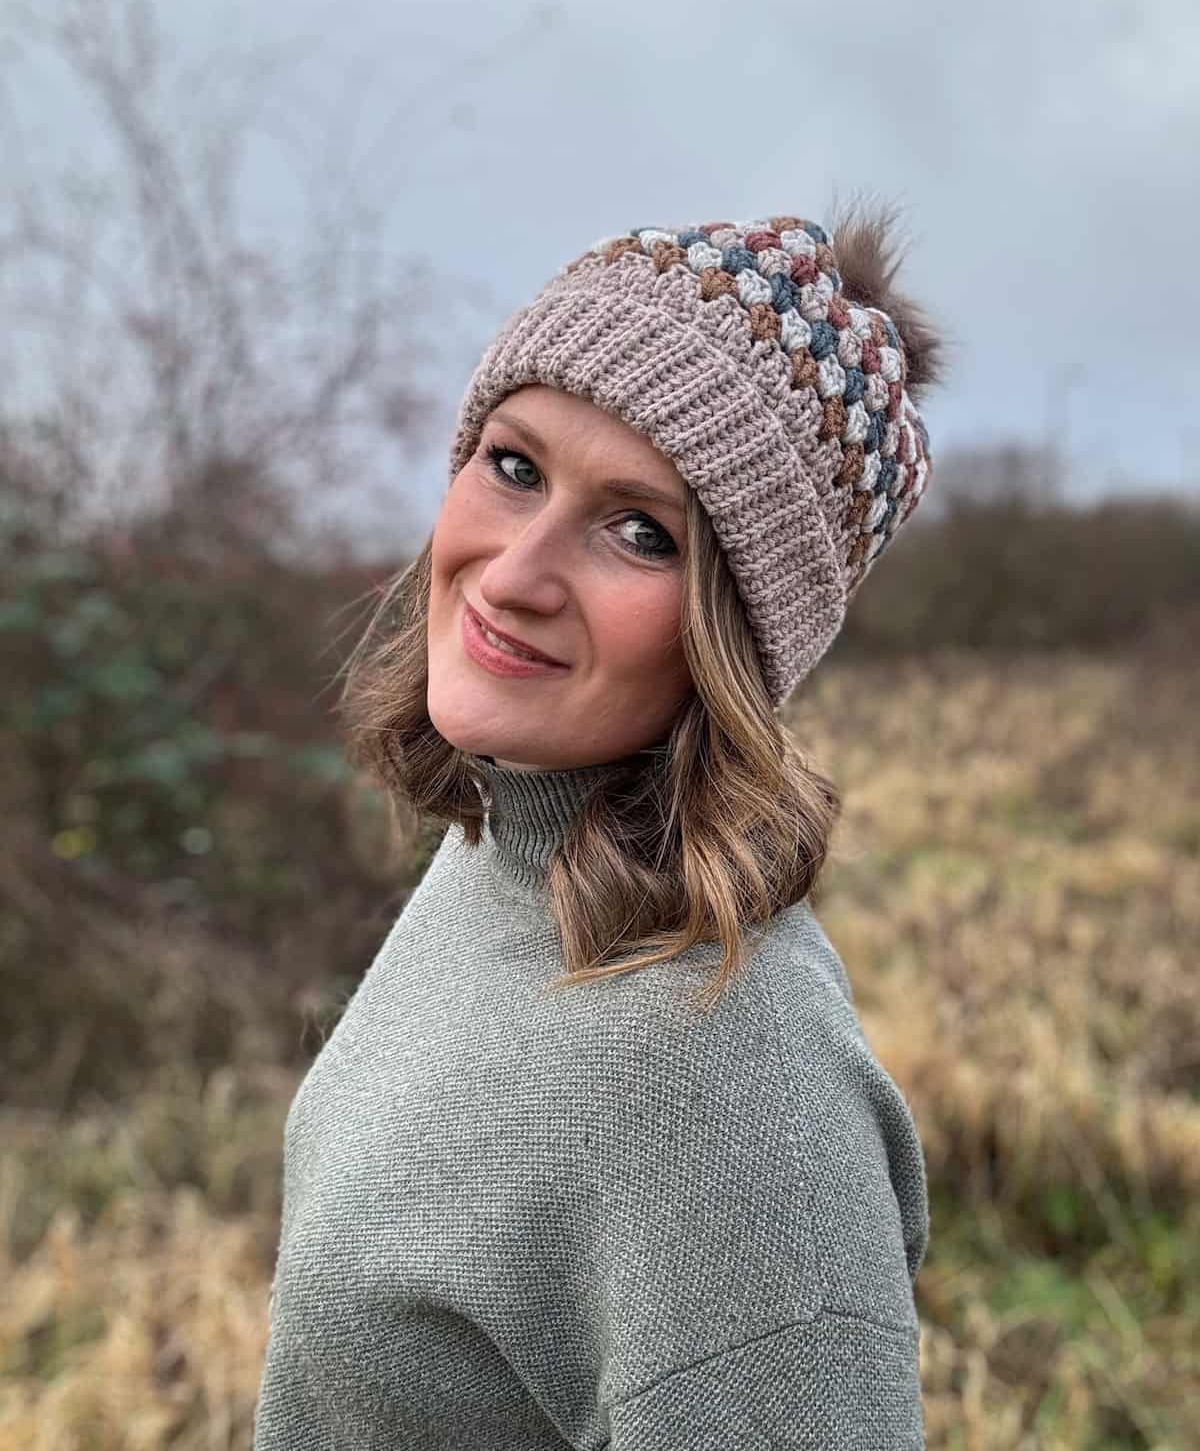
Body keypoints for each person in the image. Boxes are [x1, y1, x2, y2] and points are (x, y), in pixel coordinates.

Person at [253, 203, 945, 1449]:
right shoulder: (497, 861)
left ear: (739, 635)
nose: (515, 570)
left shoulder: (739, 1098)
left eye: (641, 532)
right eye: (513, 465)